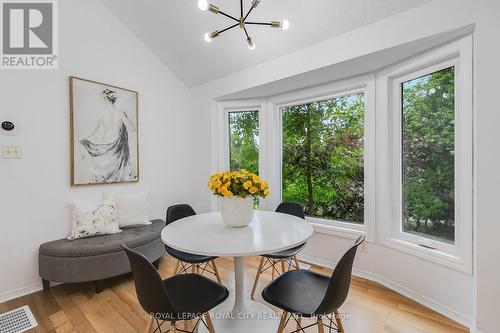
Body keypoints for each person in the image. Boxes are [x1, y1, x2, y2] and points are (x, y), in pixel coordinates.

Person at [80, 88, 137, 183]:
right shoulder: (120, 113)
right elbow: (132, 129)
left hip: (103, 147)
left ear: (105, 99)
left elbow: (92, 130)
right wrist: (127, 117)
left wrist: (82, 137)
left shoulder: (101, 113)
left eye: (102, 99)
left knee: (101, 176)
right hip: (117, 149)